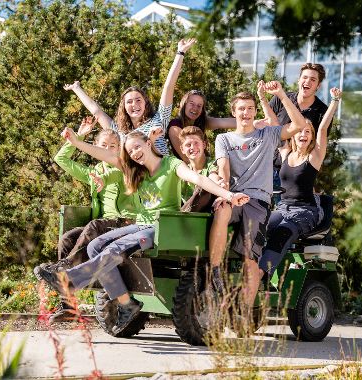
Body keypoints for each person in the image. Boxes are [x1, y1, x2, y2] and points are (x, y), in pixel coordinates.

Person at [35, 129, 249, 334]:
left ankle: (70, 281)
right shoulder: (135, 170)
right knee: (95, 245)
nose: (135, 153)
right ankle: (126, 304)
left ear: (148, 143)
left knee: (115, 249)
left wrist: (229, 195)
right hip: (140, 224)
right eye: (130, 151)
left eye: (137, 147)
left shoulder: (171, 164)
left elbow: (199, 180)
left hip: (161, 227)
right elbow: (106, 154)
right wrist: (77, 142)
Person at [208, 81, 306, 314]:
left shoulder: (268, 135)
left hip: (258, 202)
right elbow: (223, 169)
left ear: (255, 111)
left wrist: (281, 94)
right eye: (241, 108)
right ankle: (214, 272)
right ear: (234, 112)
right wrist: (225, 193)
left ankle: (243, 313)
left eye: (250, 108)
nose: (246, 112)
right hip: (233, 197)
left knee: (250, 260)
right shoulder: (224, 140)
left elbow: (299, 125)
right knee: (221, 208)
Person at [35, 117, 138, 322]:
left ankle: (63, 270)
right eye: (103, 146)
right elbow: (61, 159)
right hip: (103, 225)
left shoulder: (125, 166)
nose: (108, 149)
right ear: (95, 148)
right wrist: (79, 136)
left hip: (125, 222)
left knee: (93, 225)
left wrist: (103, 179)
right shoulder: (93, 172)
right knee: (67, 238)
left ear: (119, 149)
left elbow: (115, 174)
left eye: (113, 146)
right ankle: (68, 306)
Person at [259, 87, 342, 278]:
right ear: (293, 134)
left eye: (308, 132)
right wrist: (263, 99)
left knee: (281, 235)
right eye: (300, 131)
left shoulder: (314, 157)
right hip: (282, 208)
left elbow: (322, 128)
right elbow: (273, 123)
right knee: (259, 228)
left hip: (306, 211)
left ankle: (259, 275)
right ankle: (254, 270)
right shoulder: (286, 152)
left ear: (312, 136)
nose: (303, 135)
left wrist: (335, 101)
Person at [64, 39, 197, 156]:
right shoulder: (119, 131)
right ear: (124, 107)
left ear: (145, 103)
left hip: (163, 173)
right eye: (129, 102)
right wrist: (76, 88)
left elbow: (168, 87)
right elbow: (96, 111)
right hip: (138, 179)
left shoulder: (159, 119)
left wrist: (180, 53)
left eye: (138, 100)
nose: (134, 104)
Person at [265, 63, 332, 204]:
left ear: (318, 86)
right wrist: (261, 96)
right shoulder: (280, 98)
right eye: (305, 77)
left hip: (294, 175)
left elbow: (318, 145)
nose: (307, 81)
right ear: (299, 80)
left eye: (313, 80)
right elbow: (267, 124)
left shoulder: (322, 112)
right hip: (269, 167)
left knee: (286, 216)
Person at [167, 90, 235, 161]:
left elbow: (223, 122)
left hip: (204, 166)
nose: (195, 108)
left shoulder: (201, 122)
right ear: (184, 105)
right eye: (191, 104)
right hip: (187, 169)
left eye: (199, 106)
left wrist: (245, 120)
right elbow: (187, 159)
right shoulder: (175, 126)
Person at [178, 126, 224, 212]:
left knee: (204, 187)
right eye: (188, 145)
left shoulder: (211, 164)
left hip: (206, 211)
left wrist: (215, 182)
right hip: (186, 213)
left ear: (204, 145)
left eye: (196, 143)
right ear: (182, 149)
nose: (192, 147)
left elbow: (214, 176)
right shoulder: (184, 169)